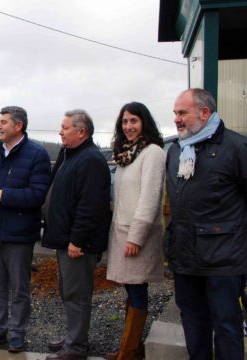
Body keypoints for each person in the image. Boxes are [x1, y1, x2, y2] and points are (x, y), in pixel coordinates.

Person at [165, 88, 247, 360]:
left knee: (226, 328)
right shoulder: (176, 151)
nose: (176, 119)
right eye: (175, 113)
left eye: (182, 112)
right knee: (194, 327)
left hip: (224, 261)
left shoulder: (236, 148)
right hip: (186, 259)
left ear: (204, 112)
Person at [0, 106, 51, 353]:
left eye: (3, 122)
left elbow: (37, 195)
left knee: (19, 287)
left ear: (18, 126)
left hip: (19, 234)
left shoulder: (37, 154)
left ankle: (17, 333)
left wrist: (3, 195)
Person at [42, 109, 111, 360]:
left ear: (82, 131)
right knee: (68, 291)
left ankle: (77, 347)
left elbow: (90, 206)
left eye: (65, 127)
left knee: (77, 293)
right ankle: (74, 336)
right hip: (66, 239)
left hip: (78, 243)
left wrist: (77, 240)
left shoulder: (90, 160)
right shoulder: (70, 155)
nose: (60, 132)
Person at [105, 102, 166, 360]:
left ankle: (127, 353)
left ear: (145, 123)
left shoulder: (152, 152)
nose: (128, 126)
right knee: (131, 290)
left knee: (138, 291)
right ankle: (132, 349)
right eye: (125, 121)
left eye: (134, 121)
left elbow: (150, 197)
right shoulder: (126, 154)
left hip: (137, 234)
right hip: (122, 232)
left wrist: (136, 237)